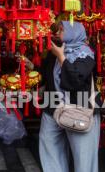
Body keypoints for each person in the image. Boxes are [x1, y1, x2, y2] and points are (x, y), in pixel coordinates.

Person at [38, 21, 100, 172]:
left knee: (83, 159)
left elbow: (76, 80)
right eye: (57, 30)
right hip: (54, 108)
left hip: (80, 109)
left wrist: (61, 57)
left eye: (61, 30)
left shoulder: (85, 54)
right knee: (49, 146)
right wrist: (31, 67)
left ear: (74, 33)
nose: (57, 33)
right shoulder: (56, 51)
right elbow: (46, 75)